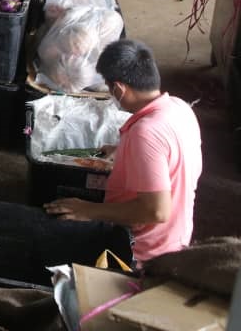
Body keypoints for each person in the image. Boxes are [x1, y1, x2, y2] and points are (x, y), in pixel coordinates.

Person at [45, 40, 203, 264]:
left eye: (110, 88)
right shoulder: (179, 108)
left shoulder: (146, 132)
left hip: (140, 250)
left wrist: (89, 210)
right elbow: (168, 154)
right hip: (176, 237)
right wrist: (124, 150)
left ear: (119, 89)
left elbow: (157, 212)